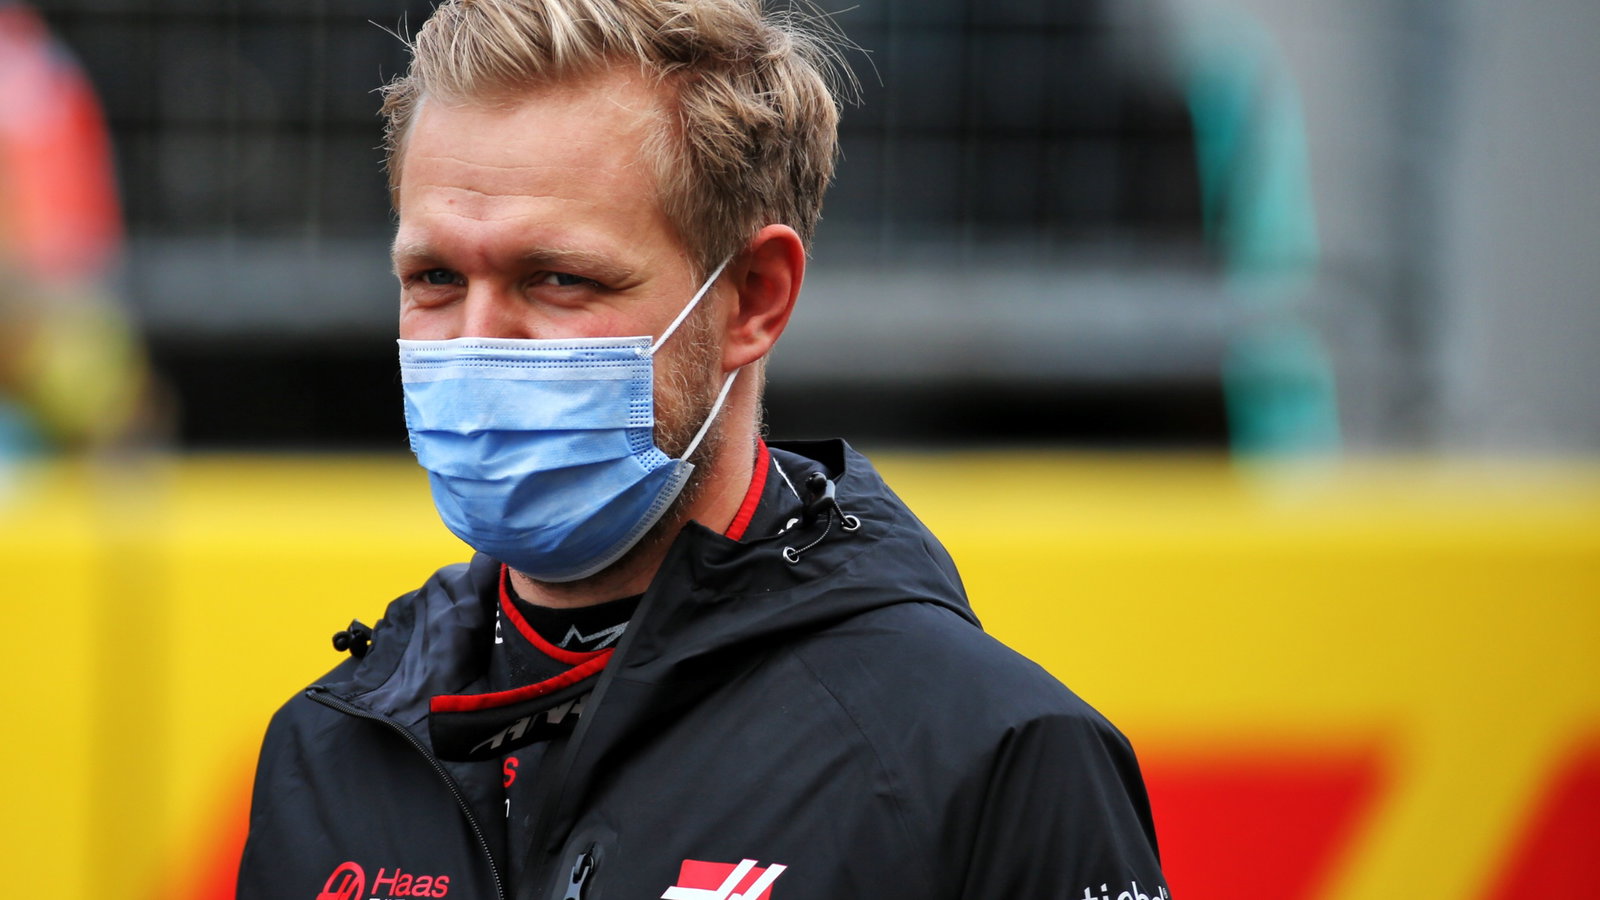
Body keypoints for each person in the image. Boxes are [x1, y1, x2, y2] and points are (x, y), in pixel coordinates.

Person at [239, 2, 1170, 898]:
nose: (478, 342)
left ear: (754, 299)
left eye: (559, 278)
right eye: (435, 277)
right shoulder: (332, 747)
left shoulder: (986, 756)